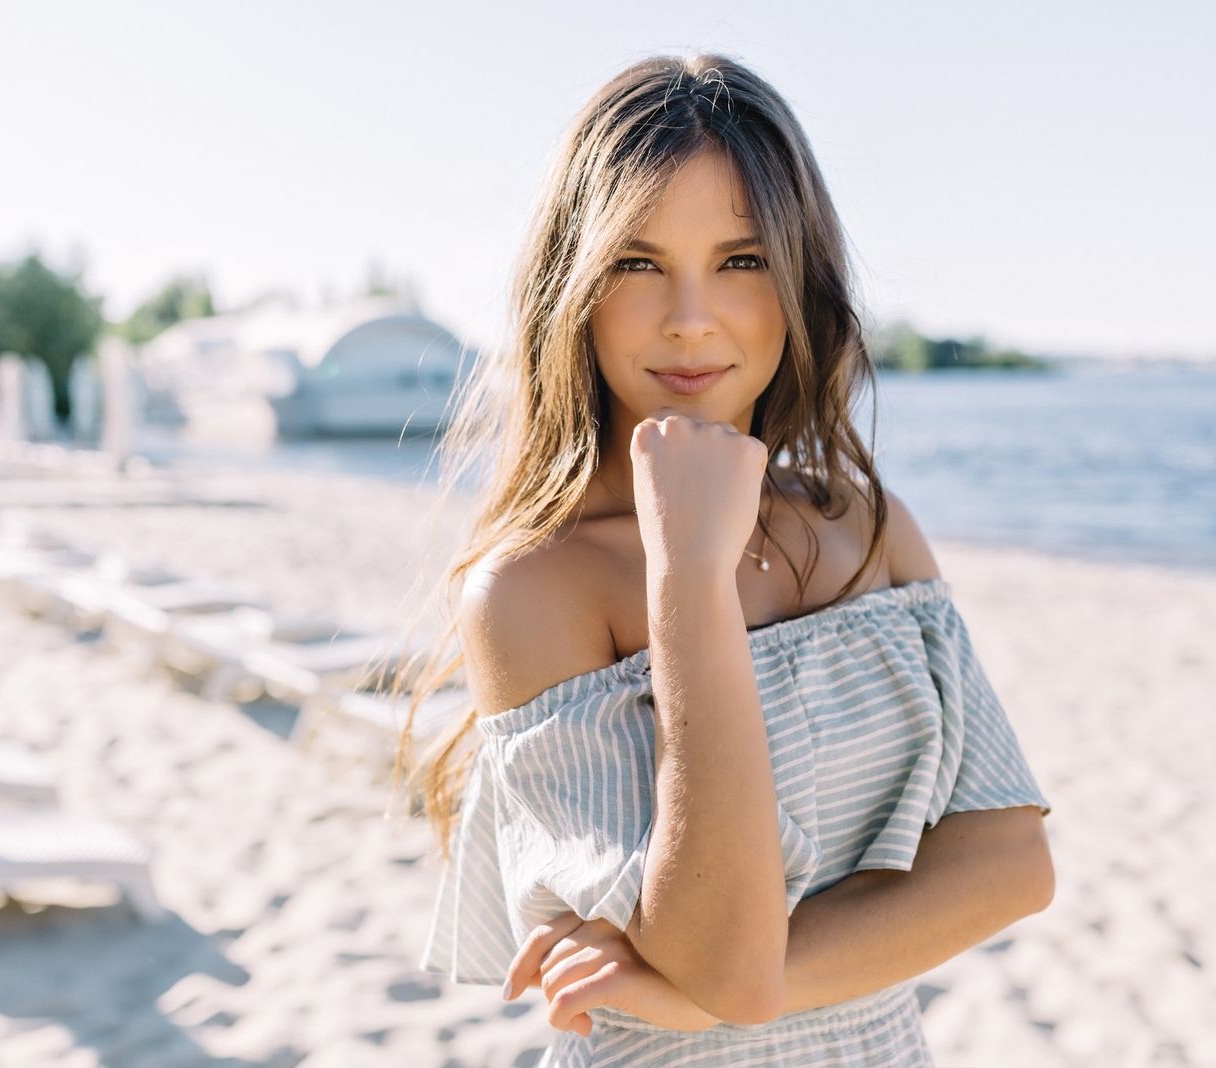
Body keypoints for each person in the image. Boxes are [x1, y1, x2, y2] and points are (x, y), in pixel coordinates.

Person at [392, 52, 1055, 1068]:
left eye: (740, 262)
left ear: (800, 285)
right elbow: (723, 953)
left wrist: (705, 998)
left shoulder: (862, 526)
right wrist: (688, 578)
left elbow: (1009, 865)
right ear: (572, 287)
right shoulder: (533, 590)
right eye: (636, 261)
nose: (688, 317)